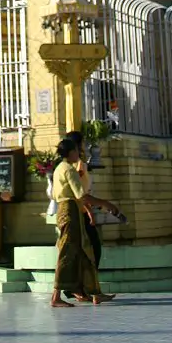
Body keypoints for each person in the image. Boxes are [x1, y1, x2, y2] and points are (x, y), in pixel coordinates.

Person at [50, 137, 119, 308]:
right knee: (66, 252)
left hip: (68, 210)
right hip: (70, 211)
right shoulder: (69, 170)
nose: (78, 153)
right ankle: (56, 297)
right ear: (70, 152)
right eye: (76, 150)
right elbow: (81, 195)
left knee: (85, 252)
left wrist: (88, 210)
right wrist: (105, 203)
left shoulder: (60, 168)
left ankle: (94, 292)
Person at [66, 129, 103, 271]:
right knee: (94, 247)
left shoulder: (65, 166)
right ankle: (88, 282)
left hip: (73, 210)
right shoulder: (79, 165)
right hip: (81, 210)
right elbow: (79, 192)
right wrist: (90, 211)